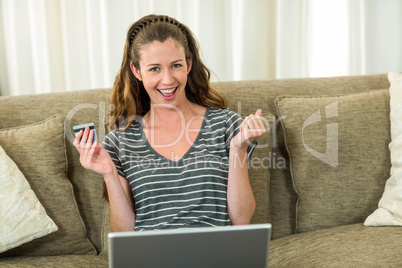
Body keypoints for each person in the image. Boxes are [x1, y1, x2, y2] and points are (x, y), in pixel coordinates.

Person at [73, 14, 266, 232]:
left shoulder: (226, 124)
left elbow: (241, 220)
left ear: (189, 64)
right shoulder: (120, 142)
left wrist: (238, 149)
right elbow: (124, 234)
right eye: (154, 68)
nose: (167, 80)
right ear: (137, 71)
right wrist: (109, 174)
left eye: (176, 65)